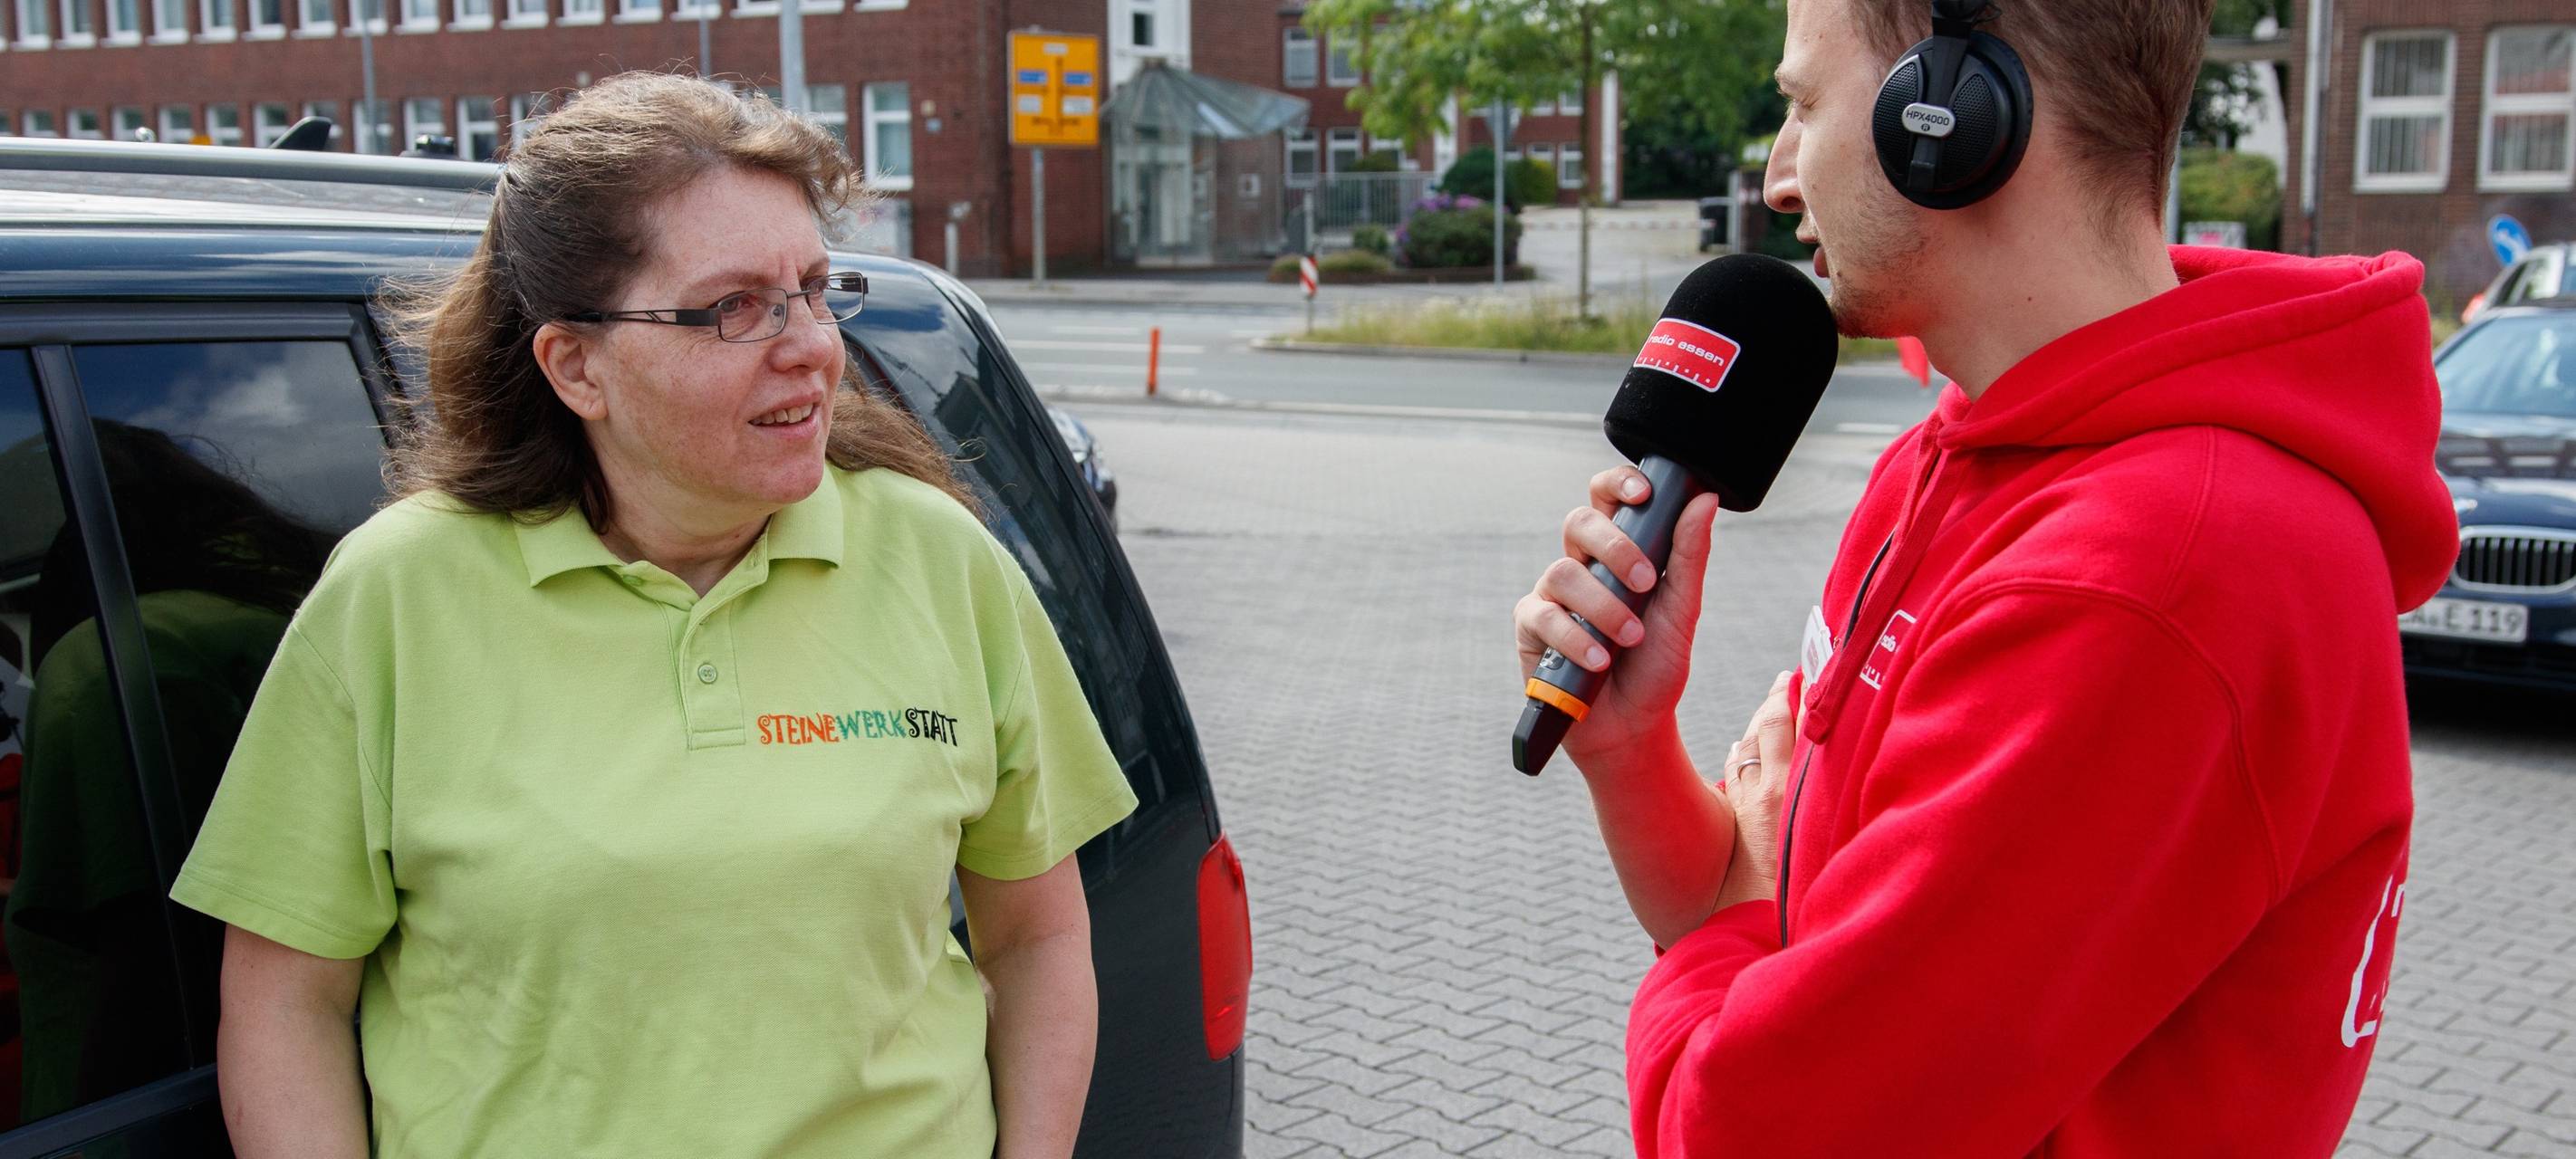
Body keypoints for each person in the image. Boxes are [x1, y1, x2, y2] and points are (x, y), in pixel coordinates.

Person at [1512, 1, 2454, 1154]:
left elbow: (1751, 1126)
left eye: (1803, 104)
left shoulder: (2146, 577)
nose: (1778, 178)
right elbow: (1781, 910)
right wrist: (1630, 753)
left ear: (1951, 111)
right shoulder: (1960, 458)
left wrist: (1739, 942)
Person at [170, 72, 1137, 1159]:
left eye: (815, 289)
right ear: (575, 365)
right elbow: (287, 998)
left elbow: (1037, 936)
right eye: (735, 307)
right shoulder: (395, 596)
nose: (814, 346)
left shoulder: (940, 559)